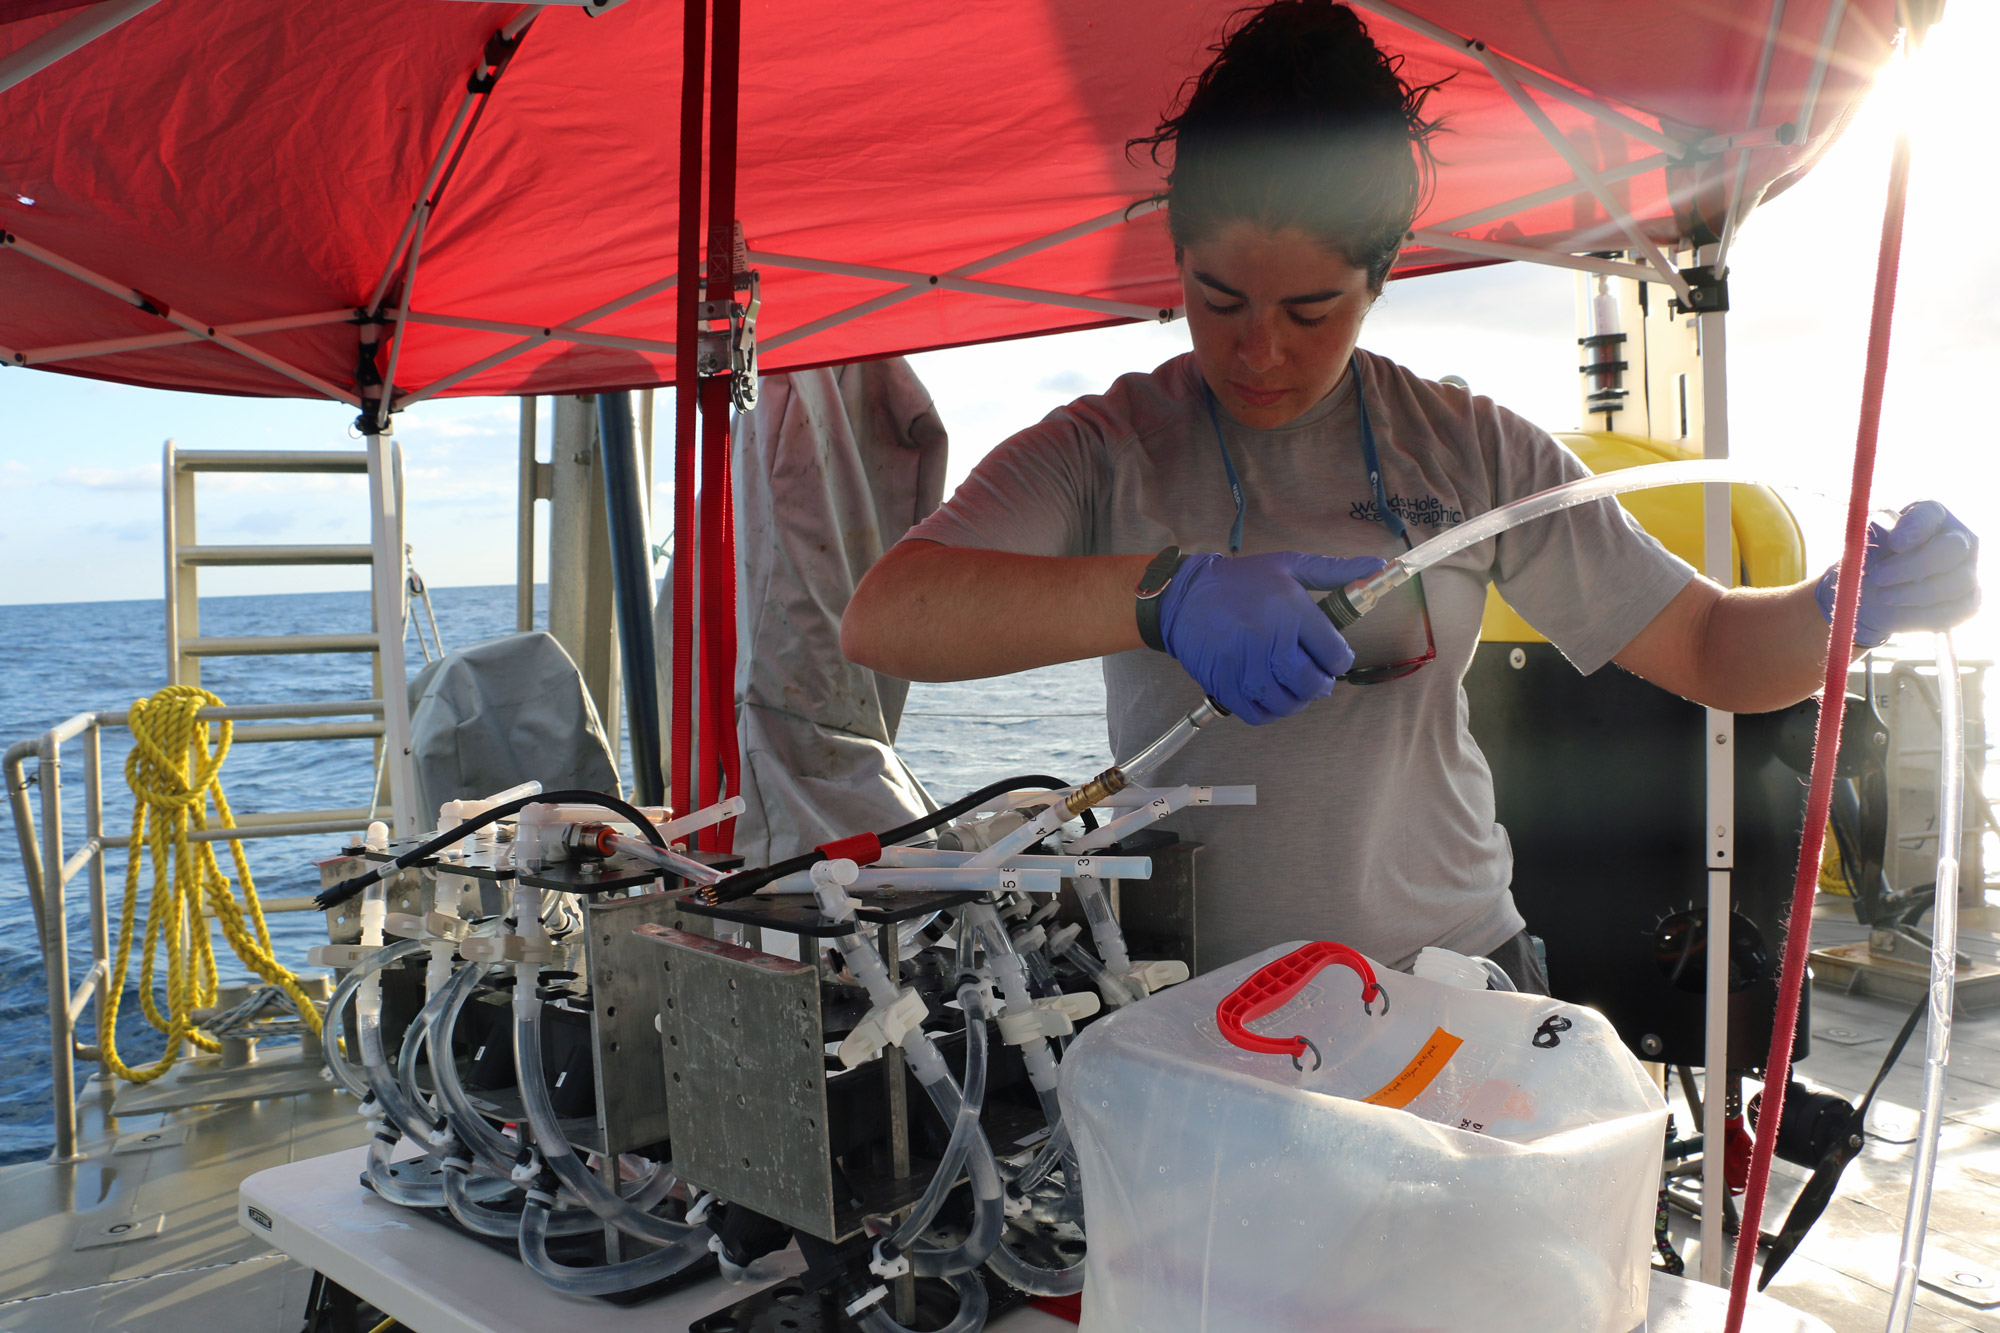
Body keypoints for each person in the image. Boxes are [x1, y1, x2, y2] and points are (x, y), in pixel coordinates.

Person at [839, 0, 1979, 993]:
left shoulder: (1471, 452)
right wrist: (1161, 594)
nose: (1259, 354)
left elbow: (1711, 649)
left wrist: (1840, 610)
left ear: (1381, 279)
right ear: (1173, 258)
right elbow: (888, 616)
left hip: (1452, 977)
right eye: (1218, 298)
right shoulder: (1105, 448)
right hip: (1193, 1007)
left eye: (1310, 310)